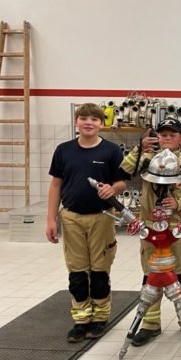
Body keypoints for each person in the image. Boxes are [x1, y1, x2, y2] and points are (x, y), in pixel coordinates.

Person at [46, 102, 127, 342]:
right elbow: (56, 185)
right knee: (77, 272)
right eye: (84, 118)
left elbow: (122, 182)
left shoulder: (111, 151)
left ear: (102, 123)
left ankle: (100, 318)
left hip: (102, 218)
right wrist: (51, 219)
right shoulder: (63, 150)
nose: (89, 123)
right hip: (71, 218)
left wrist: (112, 189)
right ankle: (81, 319)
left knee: (100, 270)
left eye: (94, 119)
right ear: (76, 122)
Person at [119, 117, 181, 346]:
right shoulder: (147, 158)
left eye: (172, 135)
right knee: (150, 277)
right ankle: (150, 324)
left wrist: (179, 203)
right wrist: (139, 147)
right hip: (149, 229)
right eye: (163, 134)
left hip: (176, 230)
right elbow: (124, 170)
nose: (167, 138)